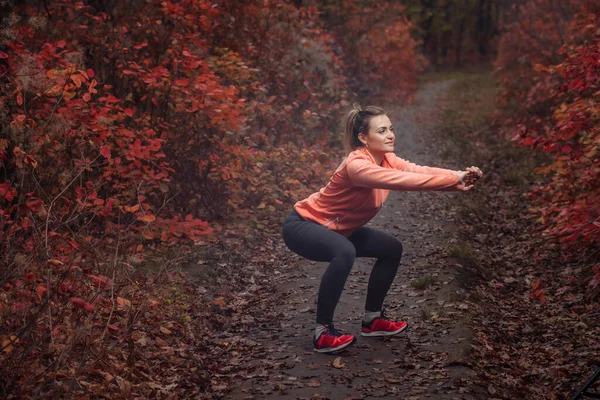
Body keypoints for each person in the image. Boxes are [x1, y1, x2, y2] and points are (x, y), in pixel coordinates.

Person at [281, 104, 483, 353]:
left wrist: (458, 175)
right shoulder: (357, 166)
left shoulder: (387, 159)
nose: (390, 135)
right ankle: (322, 332)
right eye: (382, 130)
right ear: (363, 138)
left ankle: (372, 320)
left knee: (390, 248)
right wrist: (454, 181)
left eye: (391, 128)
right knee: (344, 251)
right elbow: (405, 182)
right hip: (303, 225)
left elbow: (417, 171)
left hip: (338, 229)